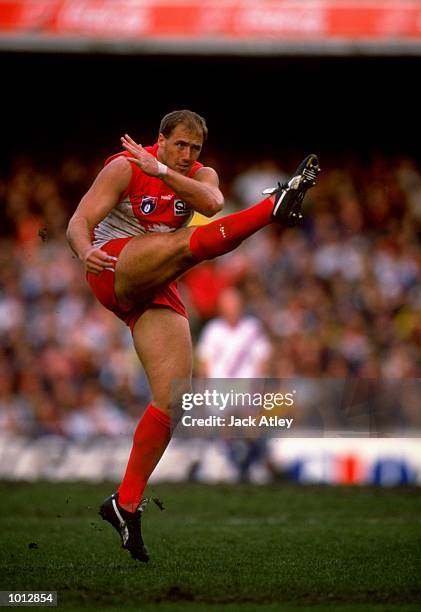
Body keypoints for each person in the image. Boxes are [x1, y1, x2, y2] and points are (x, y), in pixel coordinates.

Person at [66, 109, 320, 562]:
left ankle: (124, 504)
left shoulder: (196, 174)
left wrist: (163, 172)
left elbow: (212, 203)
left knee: (174, 399)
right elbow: (76, 223)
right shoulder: (124, 166)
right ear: (159, 140)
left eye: (194, 148)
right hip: (113, 266)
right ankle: (271, 207)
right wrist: (86, 252)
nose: (187, 155)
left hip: (154, 277)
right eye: (178, 145)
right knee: (188, 247)